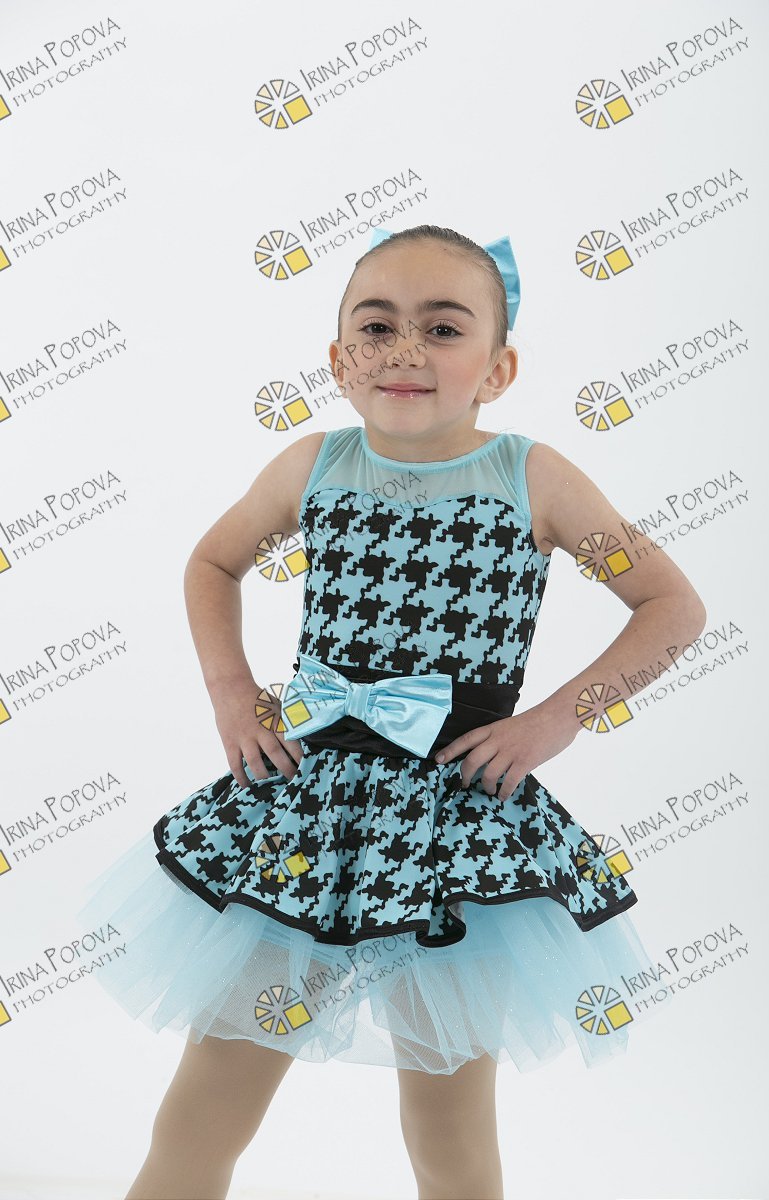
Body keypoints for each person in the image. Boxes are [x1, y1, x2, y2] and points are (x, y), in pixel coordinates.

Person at [76, 224, 705, 1200]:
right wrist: (233, 693)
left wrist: (551, 720)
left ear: (497, 369)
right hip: (305, 812)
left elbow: (670, 605)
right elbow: (212, 561)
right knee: (207, 1099)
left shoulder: (532, 478)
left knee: (448, 1128)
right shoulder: (313, 464)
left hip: (455, 825)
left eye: (443, 328)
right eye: (377, 327)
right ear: (338, 361)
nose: (405, 349)